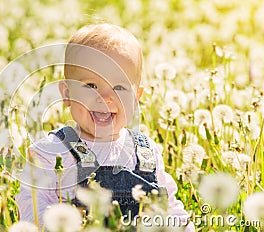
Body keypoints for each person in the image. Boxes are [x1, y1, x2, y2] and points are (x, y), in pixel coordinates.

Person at [15, 23, 195, 231]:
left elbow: (170, 207)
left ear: (136, 98)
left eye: (119, 87)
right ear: (66, 93)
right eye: (91, 85)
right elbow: (32, 209)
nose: (105, 98)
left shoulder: (146, 153)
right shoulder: (52, 152)